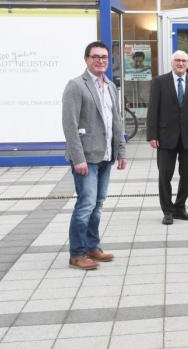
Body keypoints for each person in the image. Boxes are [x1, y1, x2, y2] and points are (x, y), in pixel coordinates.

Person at [61, 41, 127, 270]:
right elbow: (70, 125)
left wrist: (121, 150)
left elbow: (116, 121)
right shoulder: (76, 86)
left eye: (104, 57)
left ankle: (92, 247)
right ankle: (76, 254)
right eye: (96, 56)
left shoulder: (110, 86)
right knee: (86, 204)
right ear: (86, 59)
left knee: (98, 204)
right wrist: (77, 158)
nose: (101, 60)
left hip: (106, 155)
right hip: (86, 157)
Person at [146, 50, 188, 225]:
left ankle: (180, 208)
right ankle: (167, 211)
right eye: (177, 60)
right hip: (165, 137)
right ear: (172, 63)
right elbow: (153, 110)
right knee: (165, 175)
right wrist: (152, 135)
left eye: (184, 61)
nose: (180, 63)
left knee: (186, 175)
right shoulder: (159, 82)